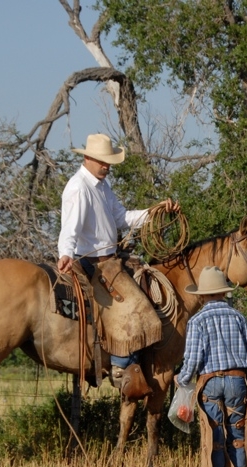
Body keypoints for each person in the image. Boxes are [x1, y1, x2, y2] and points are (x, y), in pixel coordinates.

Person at [57, 133, 179, 397]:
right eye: (102, 161)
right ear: (88, 158)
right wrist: (65, 252)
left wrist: (155, 212)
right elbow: (71, 226)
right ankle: (121, 367)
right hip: (93, 262)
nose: (107, 166)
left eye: (109, 161)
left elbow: (122, 218)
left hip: (108, 261)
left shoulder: (102, 187)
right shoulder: (79, 187)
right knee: (135, 305)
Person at [175, 266, 247, 467]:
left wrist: (182, 381)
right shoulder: (238, 318)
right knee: (238, 440)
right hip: (237, 381)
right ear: (223, 293)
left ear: (202, 295)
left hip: (210, 382)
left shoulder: (197, 320)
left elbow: (192, 360)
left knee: (213, 441)